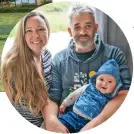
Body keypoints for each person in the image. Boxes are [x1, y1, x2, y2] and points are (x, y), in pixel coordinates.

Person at [42, 2, 132, 133]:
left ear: (96, 28)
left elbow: (125, 93)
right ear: (69, 31)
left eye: (88, 26)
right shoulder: (59, 59)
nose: (83, 32)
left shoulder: (114, 54)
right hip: (67, 121)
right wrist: (51, 120)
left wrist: (94, 124)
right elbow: (53, 98)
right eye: (77, 27)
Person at [1, 11, 52, 127]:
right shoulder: (11, 66)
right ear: (22, 36)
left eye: (40, 29)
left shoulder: (48, 56)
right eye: (29, 31)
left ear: (48, 31)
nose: (36, 36)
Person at [58, 59, 122, 133]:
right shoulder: (88, 87)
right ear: (96, 79)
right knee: (60, 125)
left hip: (90, 124)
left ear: (116, 86)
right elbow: (74, 95)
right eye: (101, 79)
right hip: (73, 116)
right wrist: (64, 104)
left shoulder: (111, 100)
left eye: (109, 81)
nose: (104, 84)